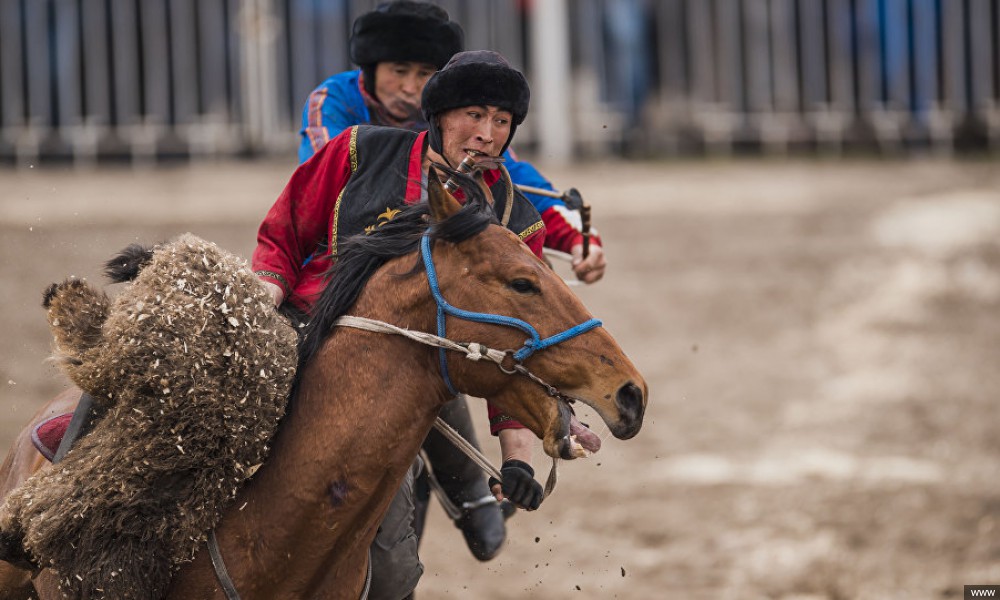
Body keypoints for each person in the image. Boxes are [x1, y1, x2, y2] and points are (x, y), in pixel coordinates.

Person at [293, 0, 606, 567]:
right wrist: (412, 192)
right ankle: (471, 498)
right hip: (333, 268)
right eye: (397, 72)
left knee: (437, 347)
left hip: (414, 295)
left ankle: (473, 494)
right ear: (368, 71)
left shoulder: (467, 128)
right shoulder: (340, 113)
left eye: (422, 77)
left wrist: (578, 238)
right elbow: (325, 177)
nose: (409, 88)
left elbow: (527, 188)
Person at [253, 49, 568, 600]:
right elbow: (283, 233)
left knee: (392, 573)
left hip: (402, 383)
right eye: (473, 114)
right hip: (303, 332)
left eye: (501, 122)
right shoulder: (359, 152)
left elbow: (513, 351)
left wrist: (516, 458)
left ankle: (474, 502)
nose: (486, 134)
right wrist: (266, 291)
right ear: (441, 115)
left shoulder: (518, 221)